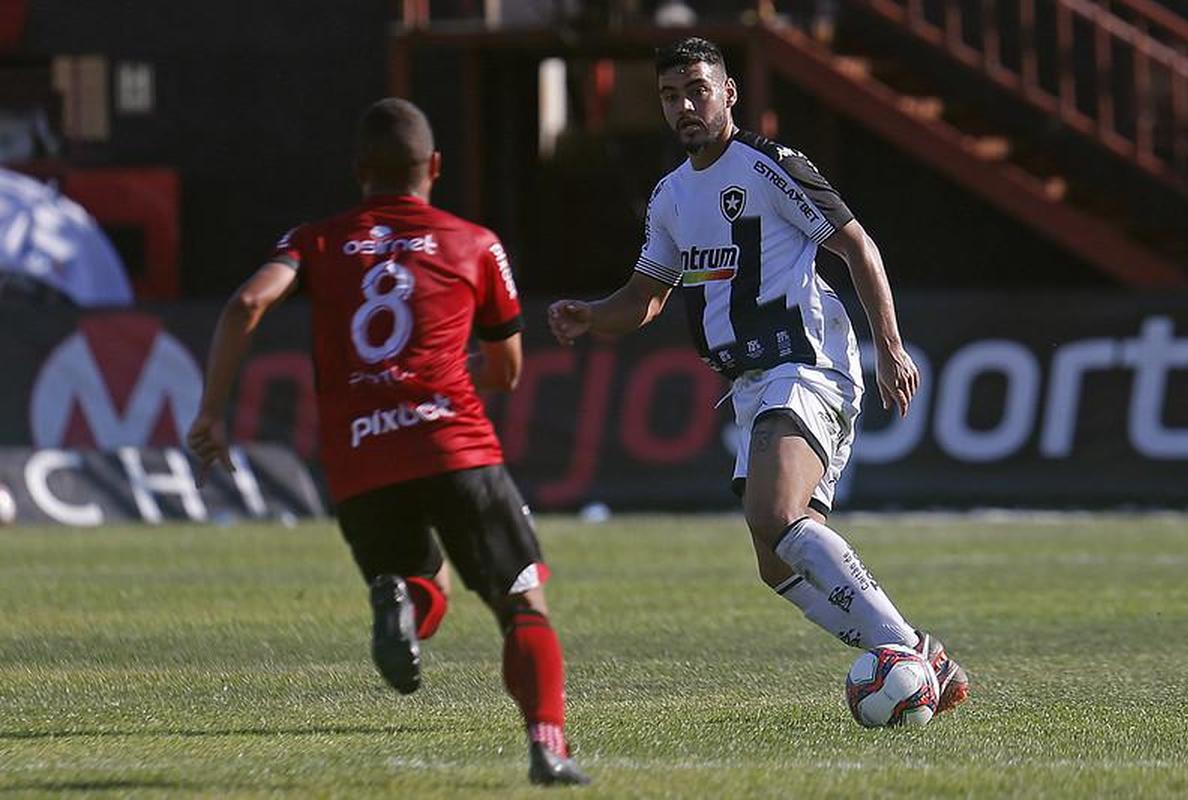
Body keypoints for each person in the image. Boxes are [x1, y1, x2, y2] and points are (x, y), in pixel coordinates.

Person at [548, 38, 968, 713]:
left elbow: (855, 244)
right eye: (668, 95)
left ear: (729, 93)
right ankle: (921, 653)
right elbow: (644, 298)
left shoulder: (771, 167)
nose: (684, 105)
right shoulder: (670, 197)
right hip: (750, 383)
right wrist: (589, 315)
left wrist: (888, 346)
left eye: (697, 89)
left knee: (773, 514)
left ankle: (911, 660)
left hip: (803, 364)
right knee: (774, 559)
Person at [188, 98, 589, 785]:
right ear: (432, 167)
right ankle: (547, 744)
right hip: (451, 442)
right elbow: (507, 369)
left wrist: (212, 414)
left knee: (417, 579)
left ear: (358, 172)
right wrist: (450, 374)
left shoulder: (313, 239)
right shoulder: (474, 242)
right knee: (522, 599)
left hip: (358, 459)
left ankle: (402, 597)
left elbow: (246, 305)